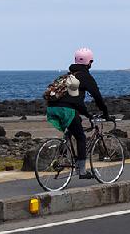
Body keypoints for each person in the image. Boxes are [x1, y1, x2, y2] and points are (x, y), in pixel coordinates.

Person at [45, 47, 112, 179]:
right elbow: (97, 97)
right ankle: (81, 171)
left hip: (52, 108)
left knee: (75, 124)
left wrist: (86, 114)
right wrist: (105, 113)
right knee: (81, 137)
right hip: (66, 110)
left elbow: (74, 101)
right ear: (89, 62)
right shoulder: (85, 77)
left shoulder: (69, 75)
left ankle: (62, 152)